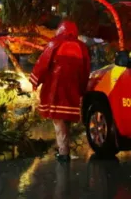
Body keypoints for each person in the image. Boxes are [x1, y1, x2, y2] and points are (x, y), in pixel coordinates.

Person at [30, 20, 91, 162]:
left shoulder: (54, 43)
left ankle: (63, 153)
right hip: (73, 88)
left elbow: (42, 63)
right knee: (66, 118)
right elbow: (85, 70)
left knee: (58, 120)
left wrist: (35, 81)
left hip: (55, 87)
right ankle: (64, 149)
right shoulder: (82, 47)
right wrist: (82, 89)